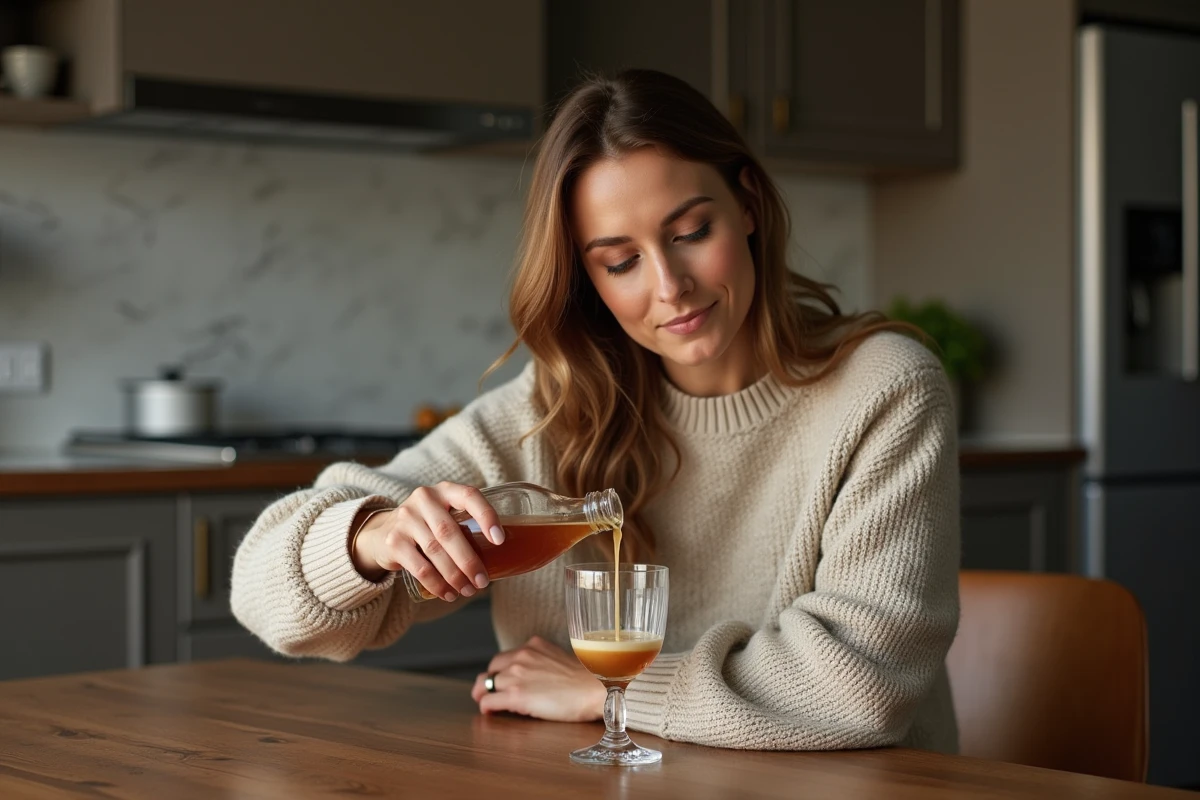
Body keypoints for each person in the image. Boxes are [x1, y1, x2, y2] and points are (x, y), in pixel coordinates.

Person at [231, 69, 960, 753]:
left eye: (691, 232)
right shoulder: (552, 412)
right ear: (588, 279)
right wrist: (373, 537)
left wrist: (608, 692)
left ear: (748, 205)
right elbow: (263, 594)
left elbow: (858, 685)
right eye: (621, 262)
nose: (669, 286)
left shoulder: (884, 390)